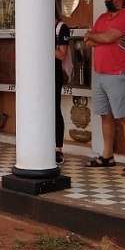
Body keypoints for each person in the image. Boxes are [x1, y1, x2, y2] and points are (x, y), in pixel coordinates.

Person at [83, 0, 125, 175]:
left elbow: (105, 38)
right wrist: (102, 36)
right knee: (105, 115)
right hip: (99, 73)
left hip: (118, 73)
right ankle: (107, 155)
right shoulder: (102, 17)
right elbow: (88, 40)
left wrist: (103, 37)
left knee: (124, 117)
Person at [54, 10, 72, 165]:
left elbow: (61, 54)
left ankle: (58, 149)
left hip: (54, 73)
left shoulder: (61, 28)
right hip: (38, 74)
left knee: (54, 109)